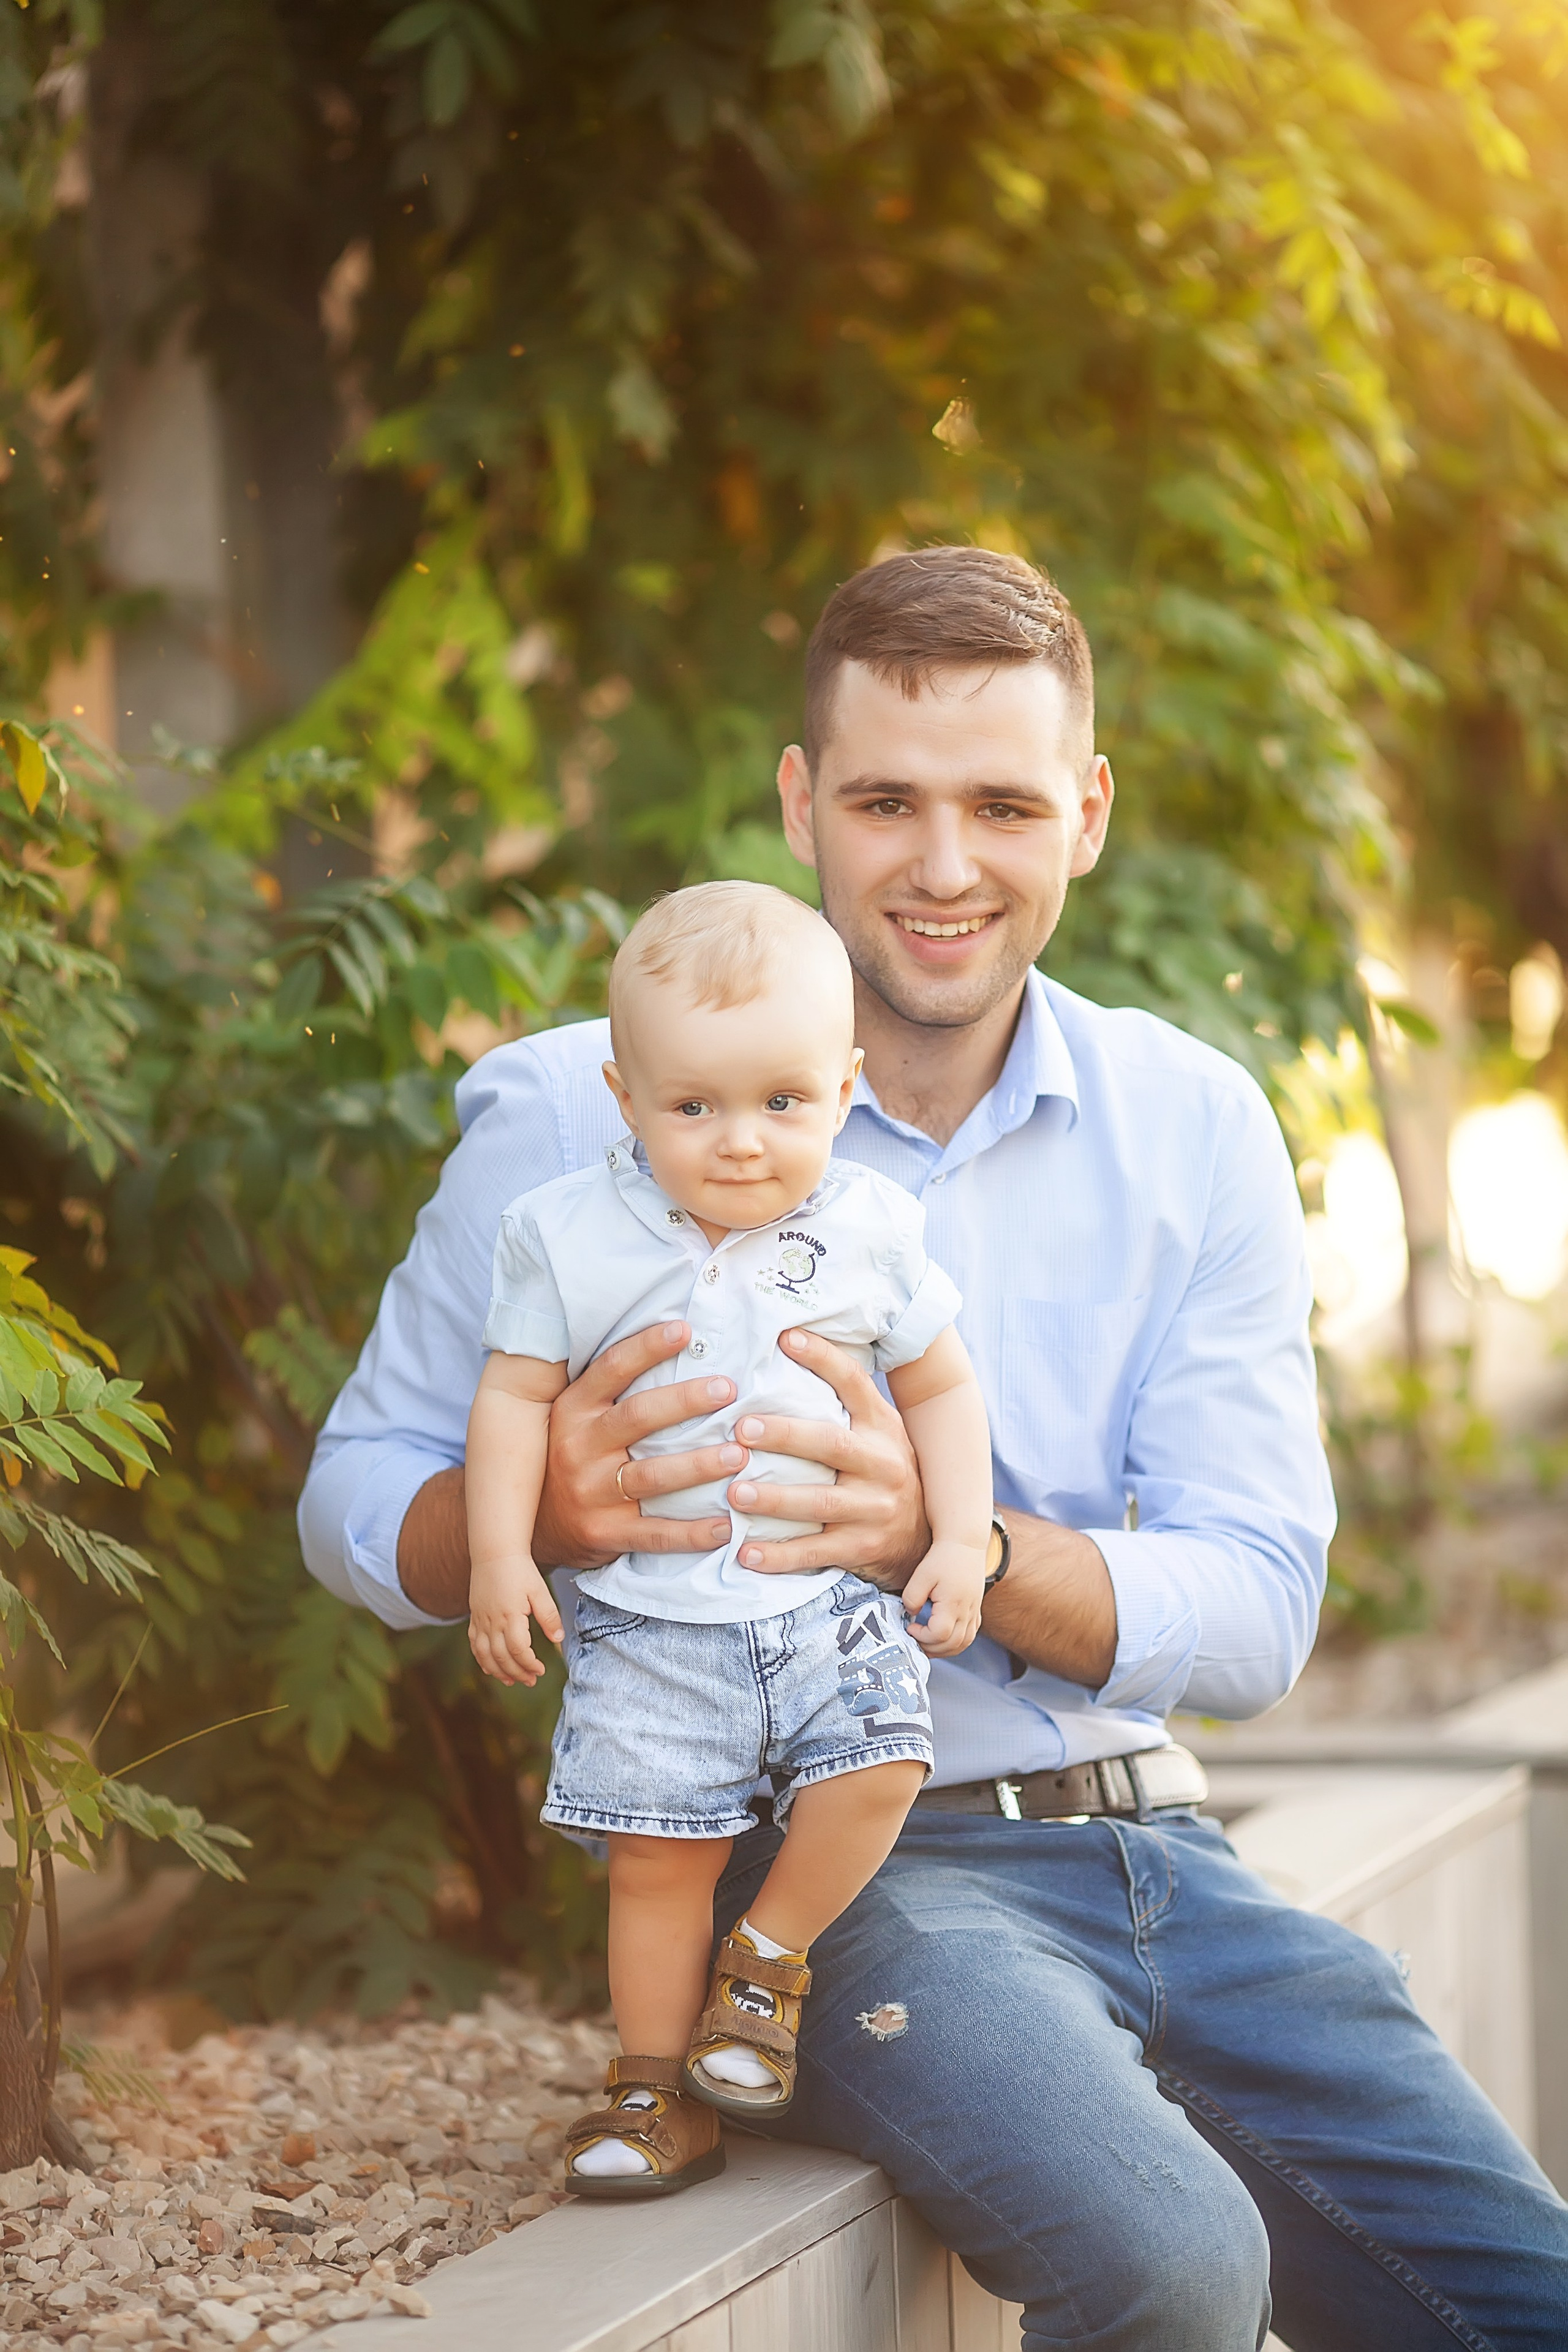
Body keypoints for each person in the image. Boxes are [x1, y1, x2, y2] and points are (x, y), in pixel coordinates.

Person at [301, 547, 1568, 2348]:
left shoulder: (1191, 1125)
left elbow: (1264, 1602)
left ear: (1090, 814)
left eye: (1004, 804)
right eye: (889, 800)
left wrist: (958, 1540)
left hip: (1171, 1859)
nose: (947, 863)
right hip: (854, 1885)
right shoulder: (581, 1115)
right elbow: (351, 1495)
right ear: (804, 803)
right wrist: (528, 1513)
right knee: (1176, 2265)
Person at [464, 881, 992, 2195]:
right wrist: (498, 1555)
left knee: (880, 1763)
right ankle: (653, 2094)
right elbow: (512, 1398)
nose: (741, 1142)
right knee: (655, 1865)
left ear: (843, 1088)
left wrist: (957, 1537)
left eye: (783, 1102)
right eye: (691, 1106)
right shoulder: (566, 1234)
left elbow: (941, 1385)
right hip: (650, 1622)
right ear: (622, 1091)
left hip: (823, 1606)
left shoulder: (867, 1227)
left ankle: (764, 1967)